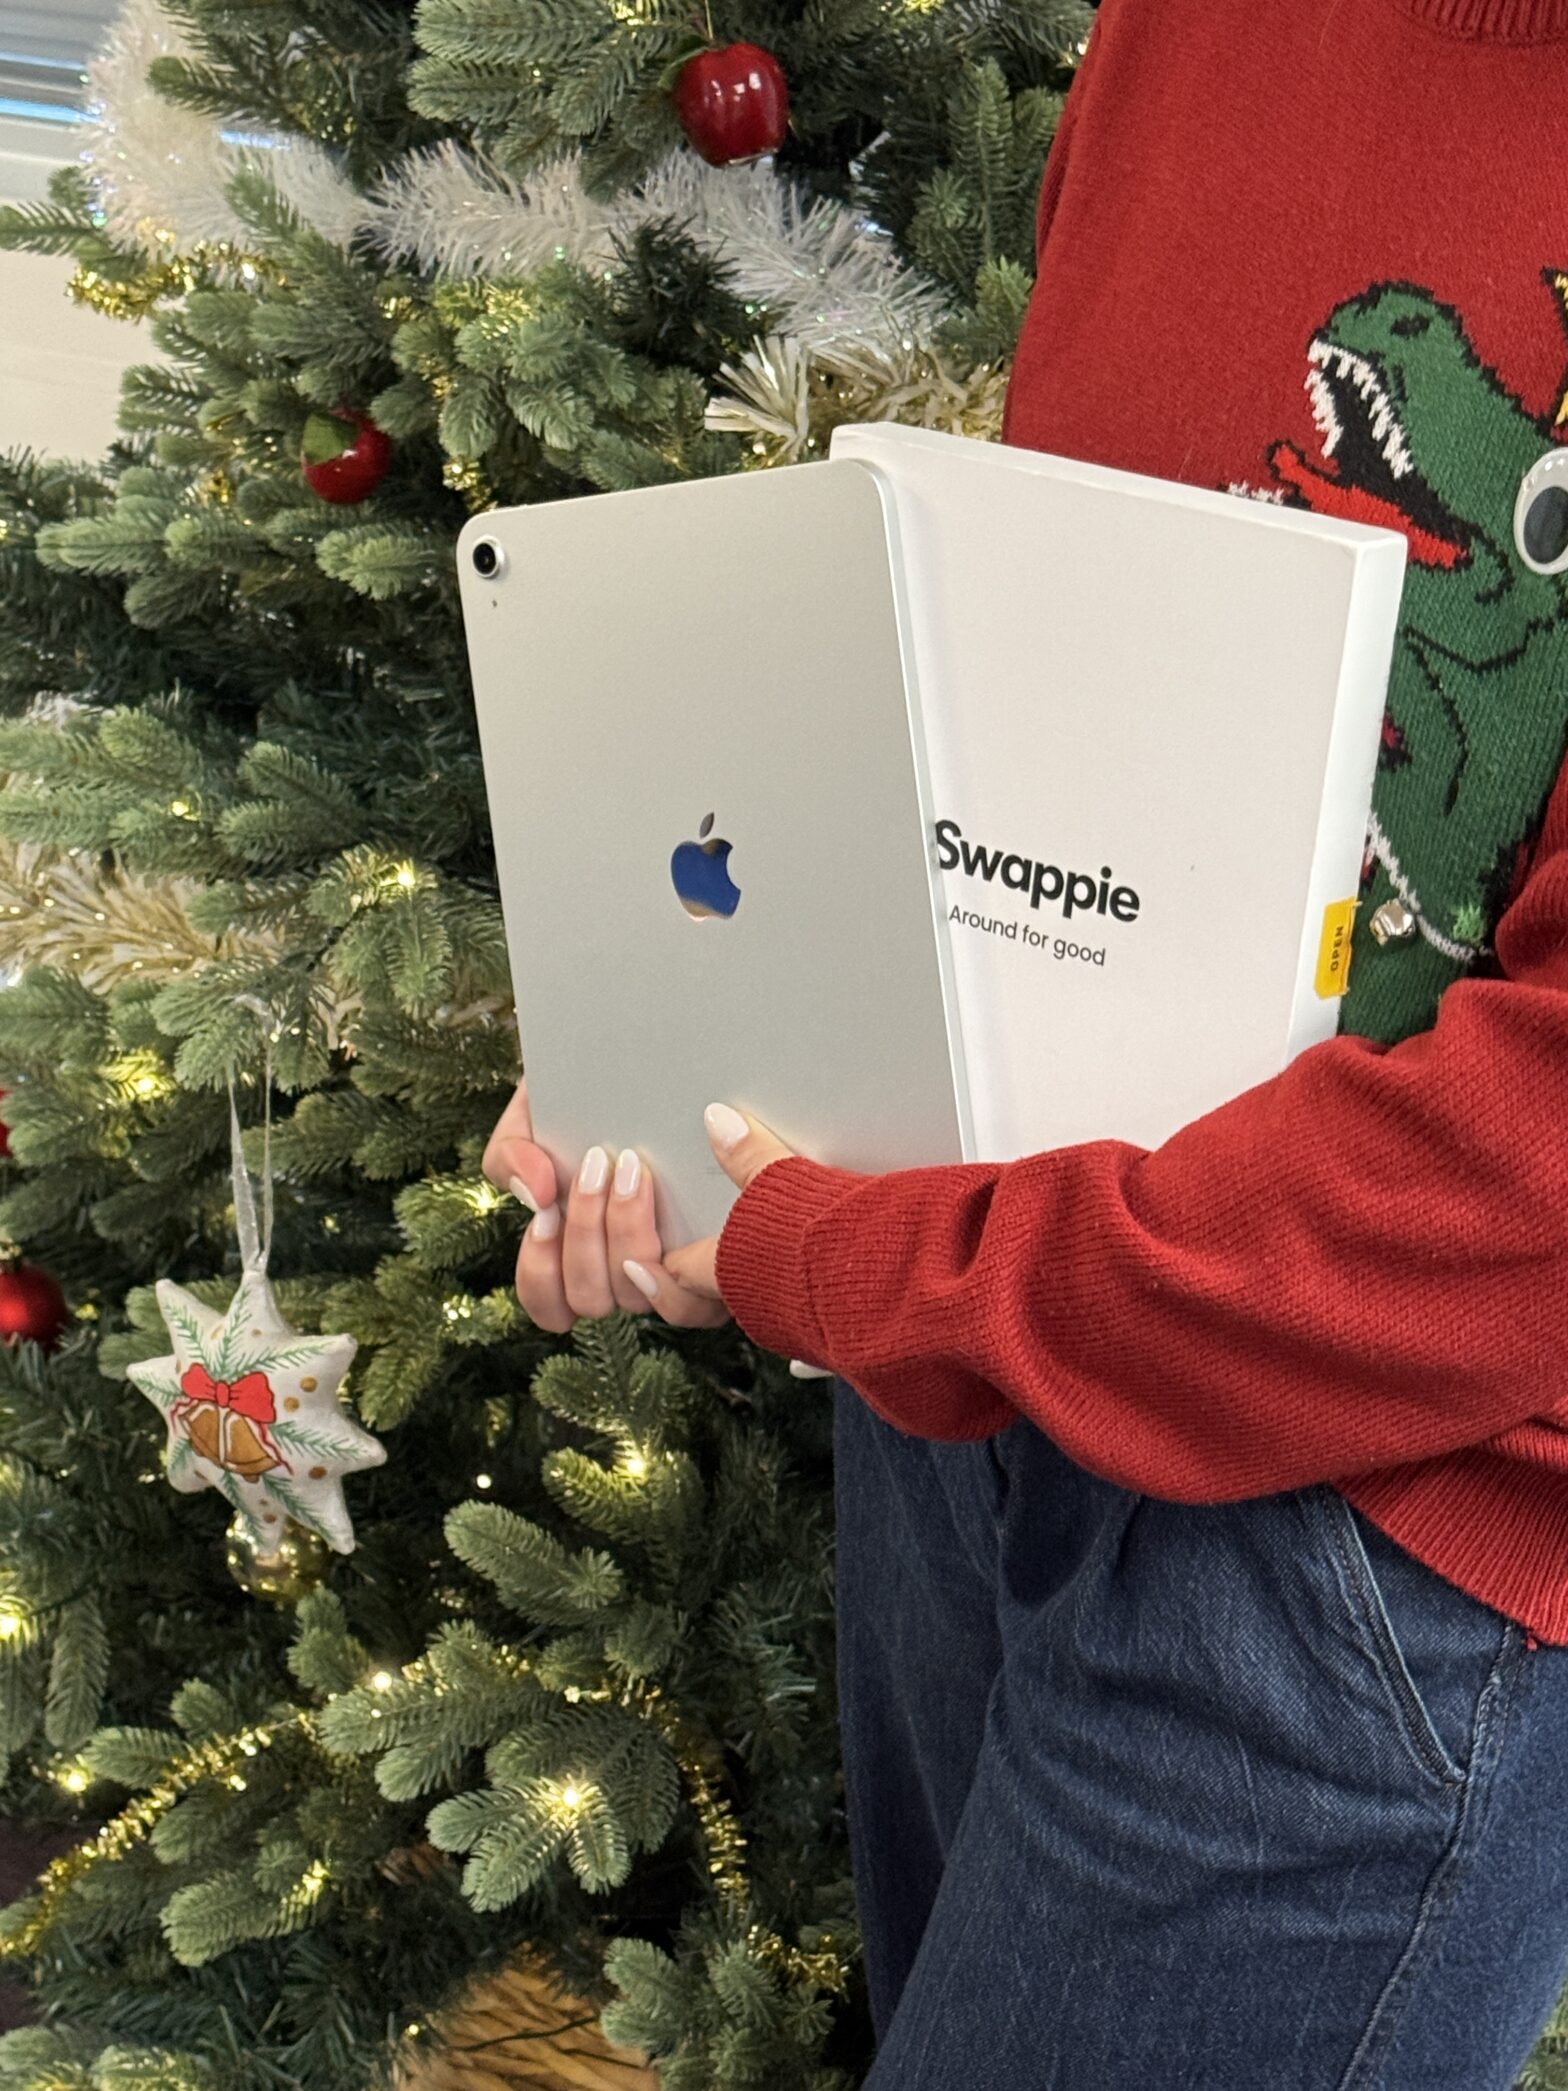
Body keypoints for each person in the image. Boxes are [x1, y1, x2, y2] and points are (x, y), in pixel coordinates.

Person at [484, 0, 1568, 2080]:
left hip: (1384, 1538)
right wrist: (720, 1046)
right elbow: (1045, 700)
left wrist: (887, 1260)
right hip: (972, 1383)